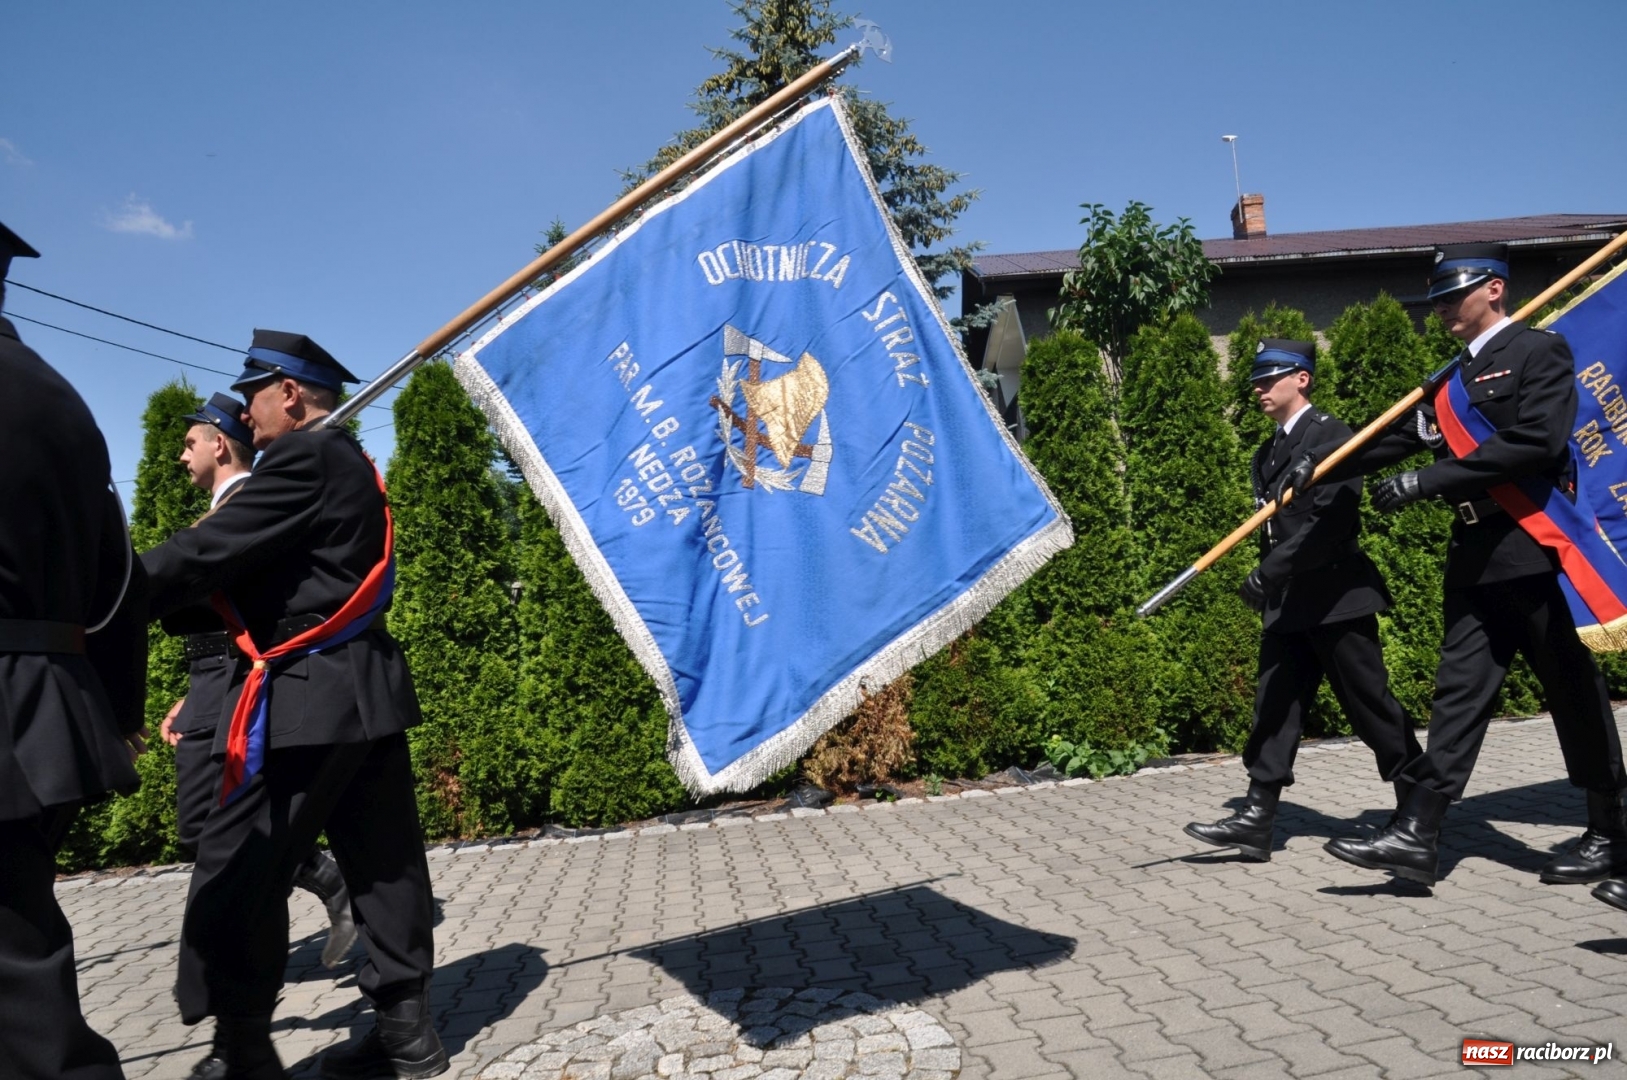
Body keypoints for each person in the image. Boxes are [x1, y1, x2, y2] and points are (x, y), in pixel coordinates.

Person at [142, 331, 444, 1079]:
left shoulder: (303, 456)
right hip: (364, 688)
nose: (243, 415)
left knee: (238, 862)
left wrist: (103, 584)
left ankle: (240, 1048)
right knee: (382, 863)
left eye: (251, 396)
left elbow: (210, 551)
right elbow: (270, 572)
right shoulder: (348, 461)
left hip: (307, 697)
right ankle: (409, 1038)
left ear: (288, 392)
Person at [1309, 243, 1627, 887]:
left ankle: (1611, 832)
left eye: (1455, 295)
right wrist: (1319, 467)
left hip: (1537, 549)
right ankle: (1418, 836)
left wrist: (1427, 482)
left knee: (1573, 692)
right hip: (1476, 555)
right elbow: (1401, 437)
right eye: (1439, 299)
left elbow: (1536, 443)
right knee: (1457, 696)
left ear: (1494, 290)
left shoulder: (1540, 353)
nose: (1444, 309)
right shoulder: (1451, 379)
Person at [0, 220, 149, 1077]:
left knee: (22, 1012)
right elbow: (117, 571)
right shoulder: (62, 399)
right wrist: (115, 707)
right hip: (48, 709)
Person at [1185, 339, 1421, 861]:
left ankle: (1417, 809)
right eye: (1256, 380)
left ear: (1302, 379)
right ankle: (1256, 818)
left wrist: (1269, 573)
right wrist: (1273, 578)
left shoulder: (1333, 436)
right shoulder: (1266, 452)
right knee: (1274, 708)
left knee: (1371, 710)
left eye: (1270, 378)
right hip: (1290, 605)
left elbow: (1331, 522)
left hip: (1337, 598)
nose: (1259, 388)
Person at [158, 392, 359, 982]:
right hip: (211, 680)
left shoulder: (250, 504)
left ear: (220, 443)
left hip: (237, 681)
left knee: (221, 826)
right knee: (204, 827)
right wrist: (190, 692)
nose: (181, 455)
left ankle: (236, 969)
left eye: (190, 442)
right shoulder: (223, 509)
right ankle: (310, 893)